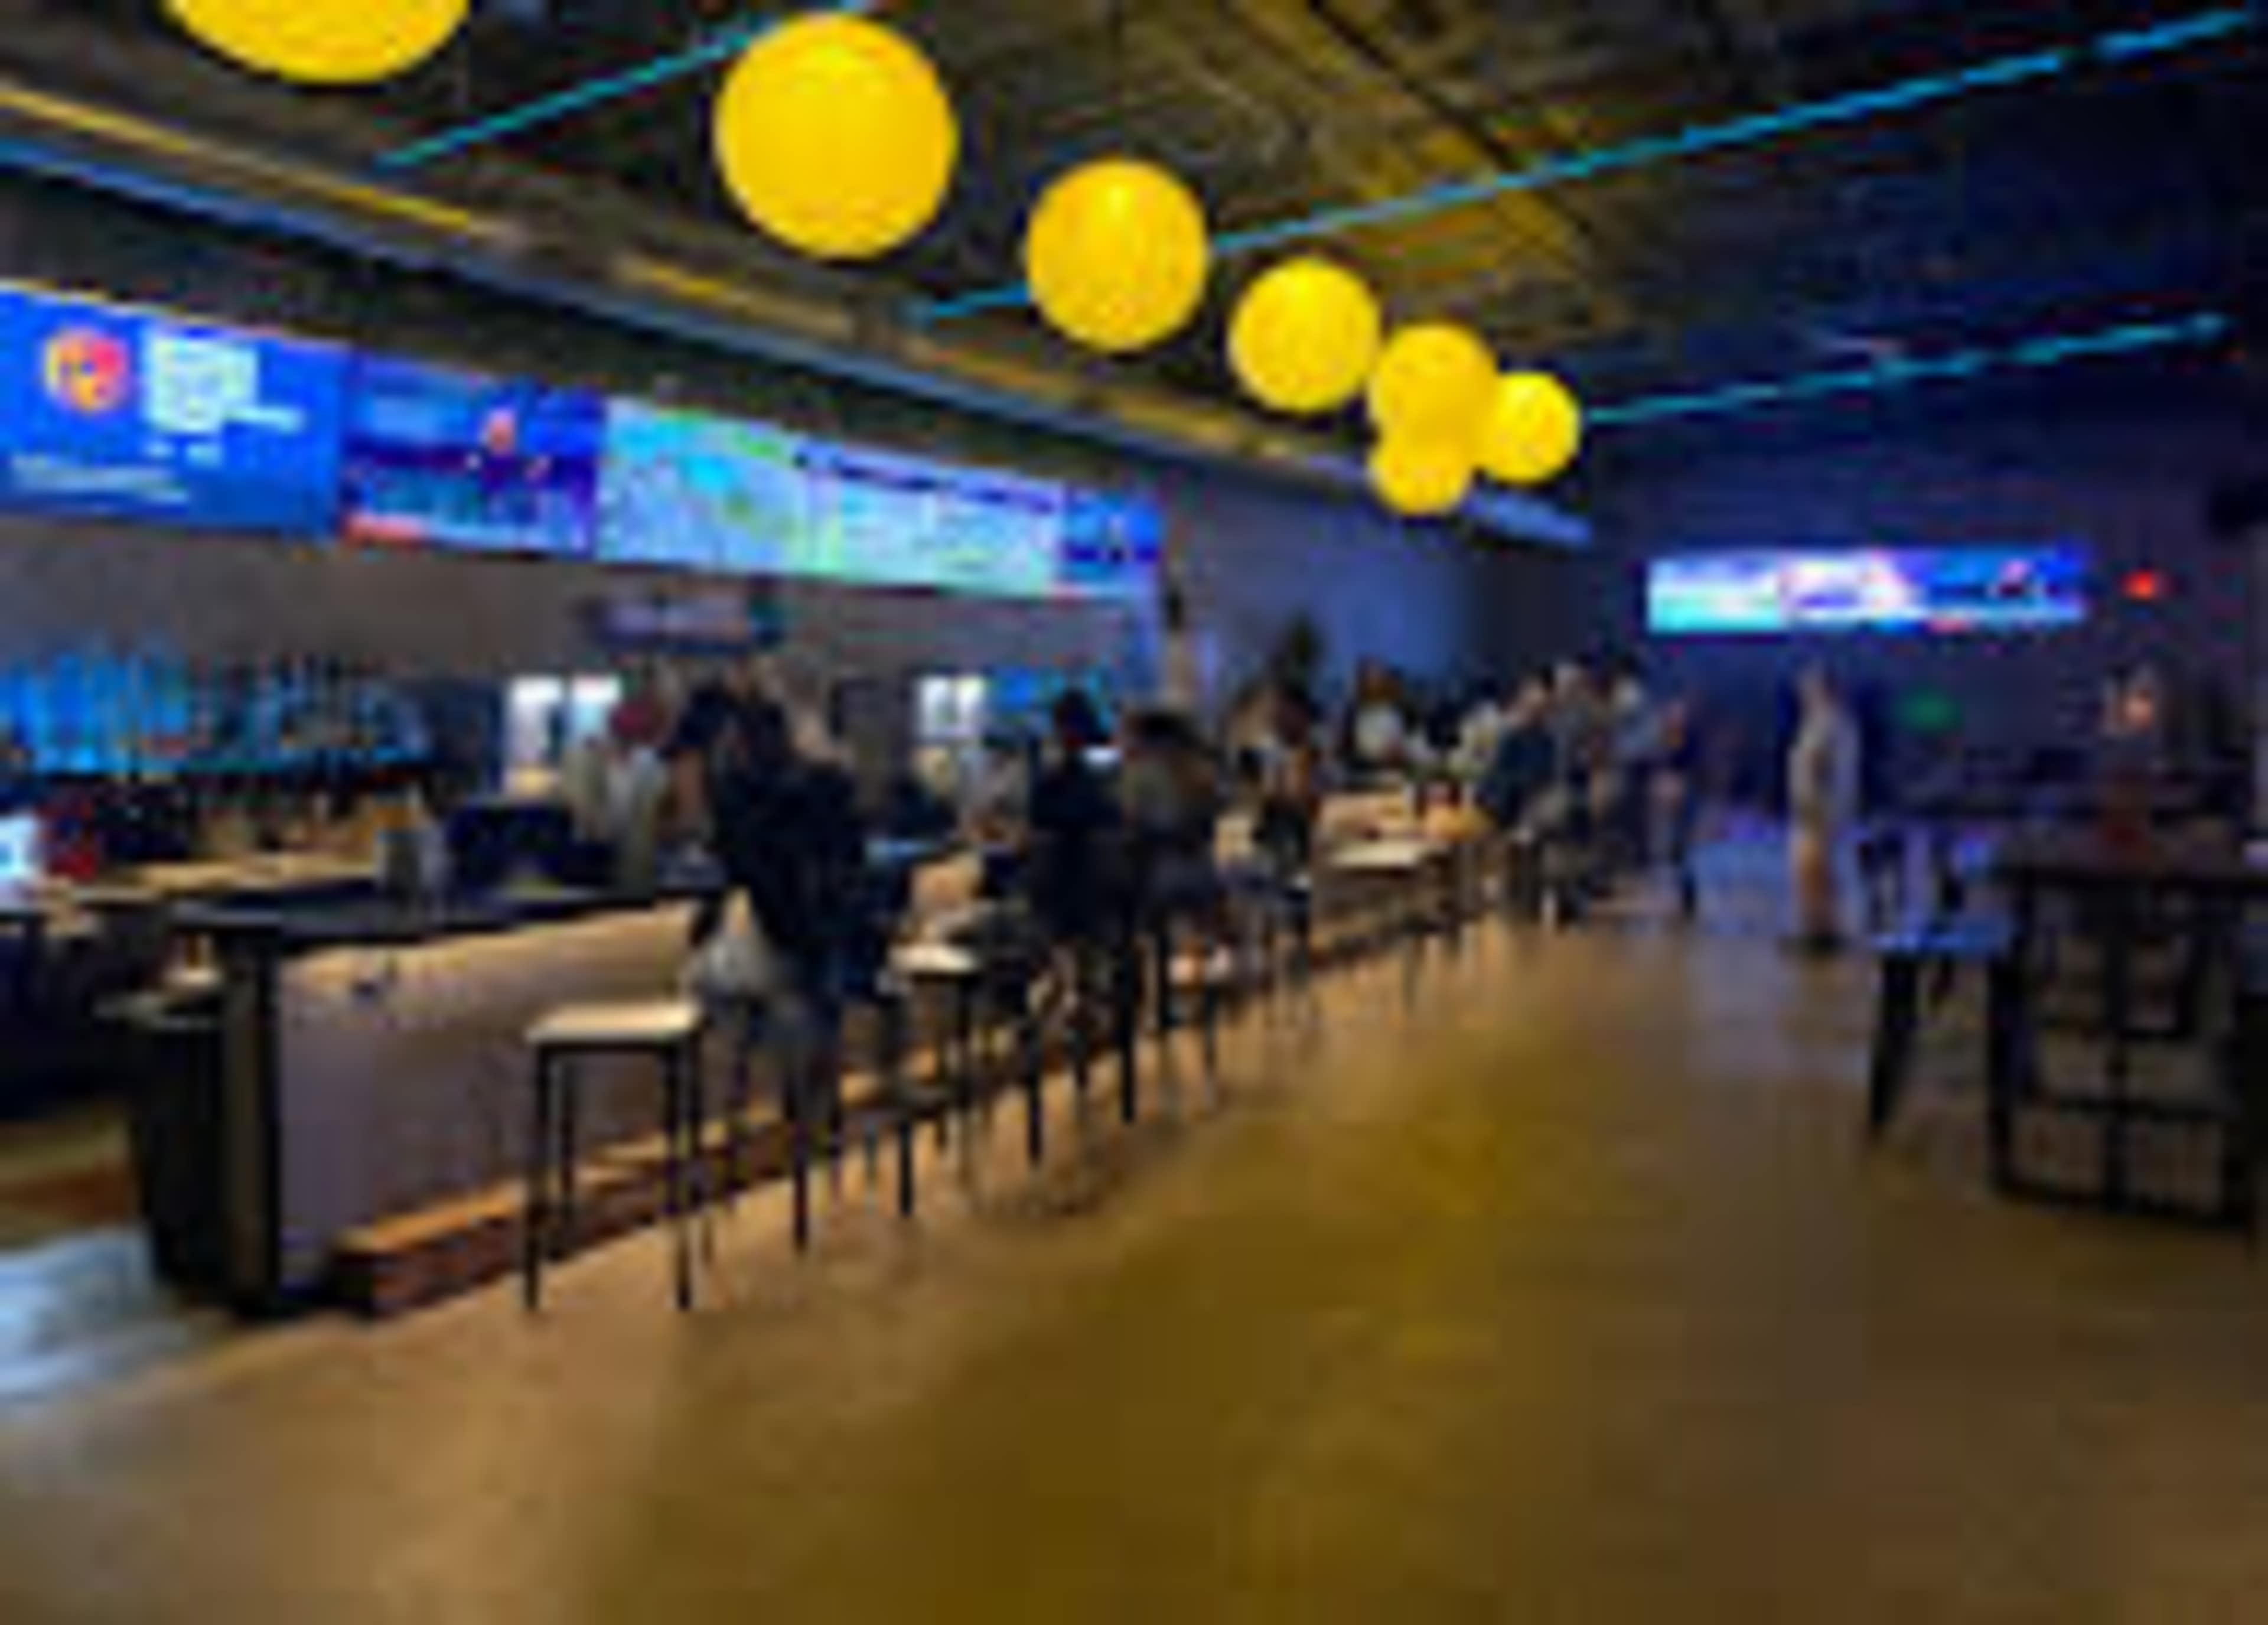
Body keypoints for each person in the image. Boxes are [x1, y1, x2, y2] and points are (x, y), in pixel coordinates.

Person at [1787, 666, 1861, 952]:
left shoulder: (1832, 723)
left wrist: (1814, 806)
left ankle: (1821, 934)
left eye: (1807, 687)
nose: (1802, 692)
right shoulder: (1817, 721)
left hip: (1818, 813)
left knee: (1816, 874)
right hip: (1813, 811)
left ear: (1823, 689)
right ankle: (1815, 929)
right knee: (1811, 875)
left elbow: (1825, 769)